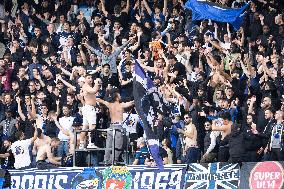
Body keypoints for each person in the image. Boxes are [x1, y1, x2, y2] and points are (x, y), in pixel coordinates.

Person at [97, 88, 134, 164]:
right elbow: (131, 103)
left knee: (108, 146)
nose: (120, 96)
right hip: (118, 127)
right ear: (117, 97)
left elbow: (100, 100)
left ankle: (106, 161)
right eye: (119, 95)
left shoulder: (109, 104)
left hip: (111, 127)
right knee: (118, 145)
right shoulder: (121, 105)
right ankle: (113, 161)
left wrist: (92, 98)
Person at [79, 75, 100, 149]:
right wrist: (97, 82)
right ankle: (91, 143)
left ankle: (81, 143)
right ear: (85, 79)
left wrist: (97, 84)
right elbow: (94, 91)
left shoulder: (87, 87)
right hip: (89, 108)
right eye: (88, 78)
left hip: (87, 108)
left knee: (85, 127)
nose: (90, 79)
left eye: (91, 78)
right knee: (92, 126)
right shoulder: (86, 86)